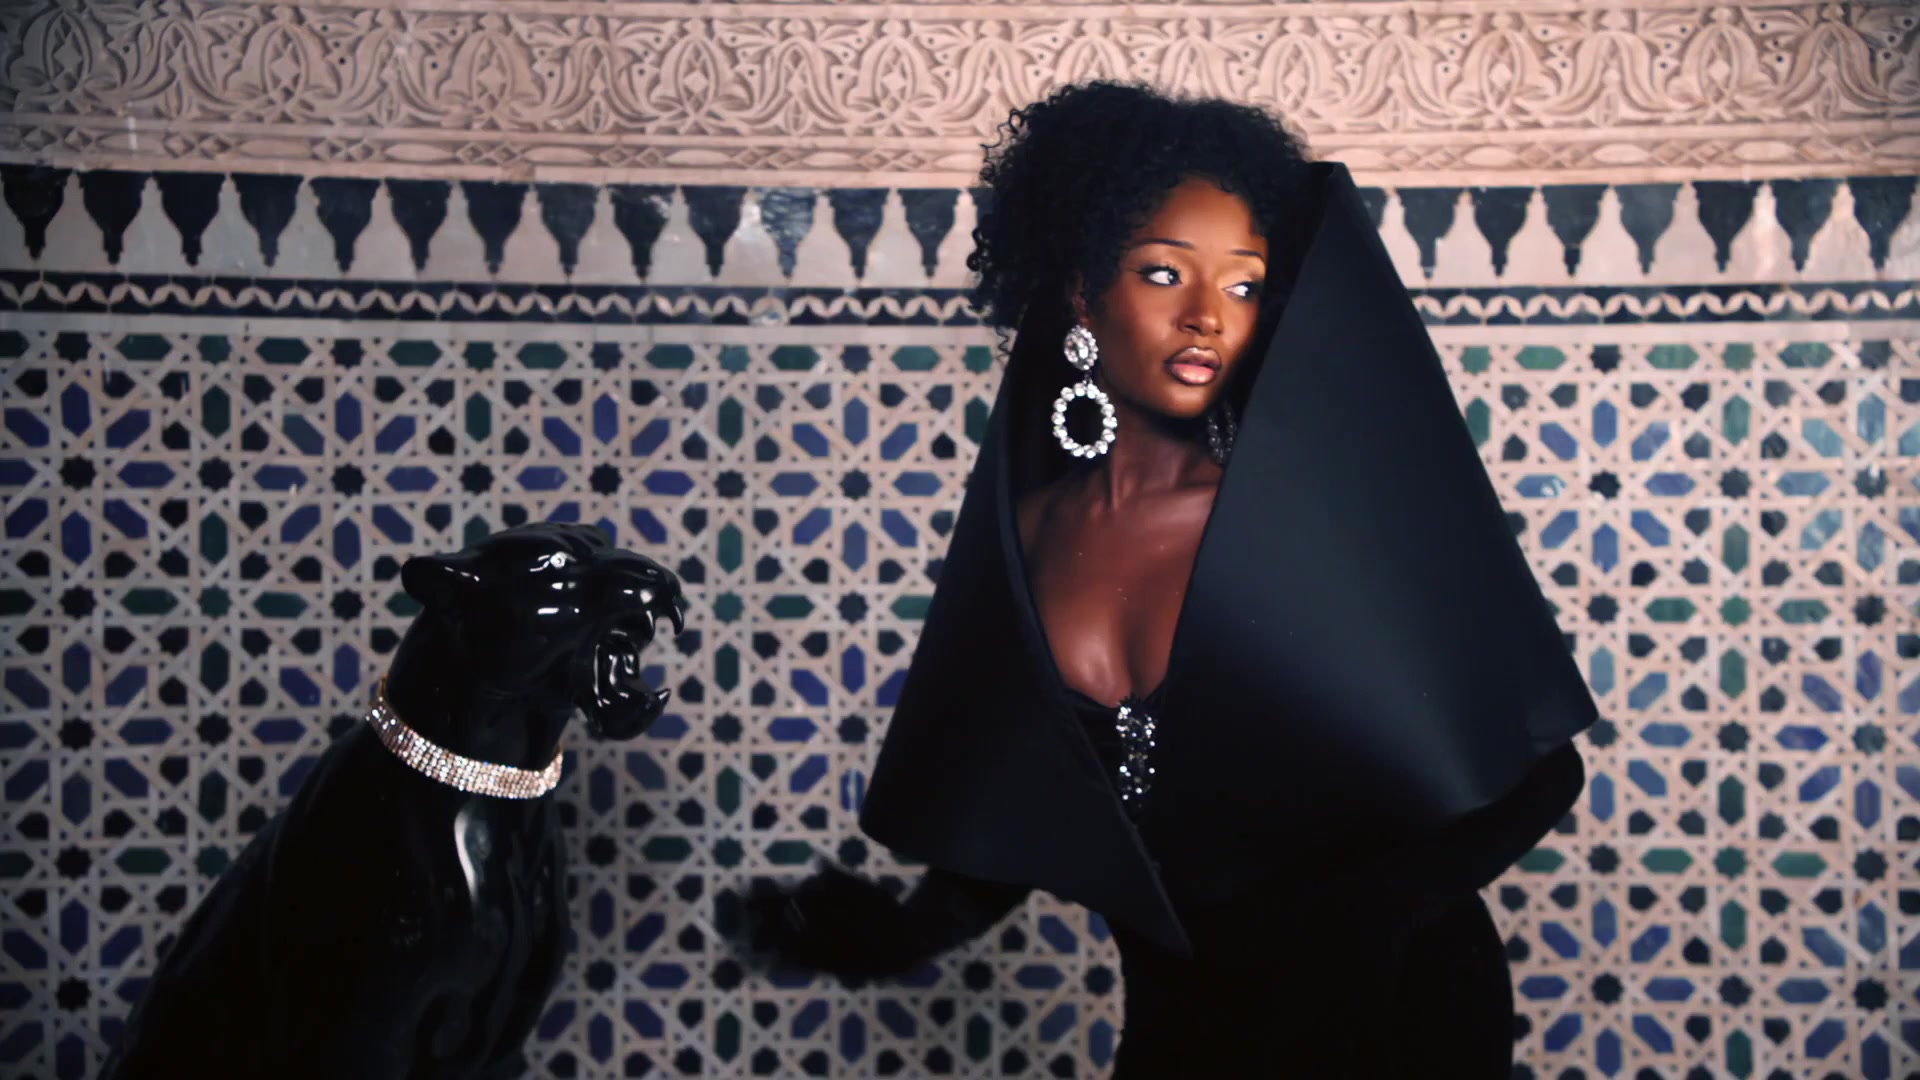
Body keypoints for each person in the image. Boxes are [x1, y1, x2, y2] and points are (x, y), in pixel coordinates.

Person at [742, 82, 1594, 1076]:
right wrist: (902, 931)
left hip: (1393, 1007)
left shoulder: (1304, 518)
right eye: (1163, 272)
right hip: (1185, 1012)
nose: (1207, 318)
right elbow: (1038, 792)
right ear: (1080, 289)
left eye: (1244, 285)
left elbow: (1542, 769)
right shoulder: (1027, 534)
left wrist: (1362, 916)